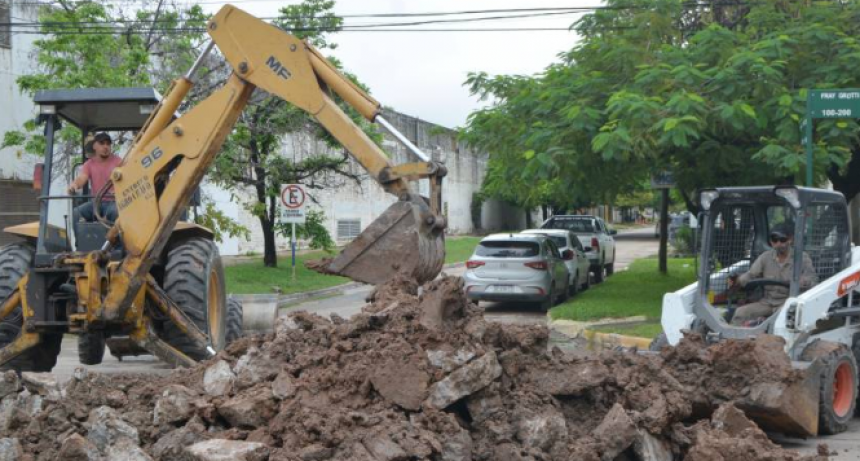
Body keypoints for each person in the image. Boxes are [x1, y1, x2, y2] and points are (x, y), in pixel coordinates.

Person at [727, 223, 818, 326]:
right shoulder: (765, 257)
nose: (778, 243)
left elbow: (813, 280)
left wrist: (803, 281)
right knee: (740, 313)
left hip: (789, 303)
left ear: (790, 239)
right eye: (774, 240)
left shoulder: (802, 258)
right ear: (771, 241)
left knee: (780, 319)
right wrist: (737, 281)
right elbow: (751, 275)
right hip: (767, 302)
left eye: (782, 239)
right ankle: (732, 340)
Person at [68, 132, 122, 235]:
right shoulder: (89, 164)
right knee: (76, 212)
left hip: (114, 202)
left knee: (114, 212)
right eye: (102, 143)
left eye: (108, 144)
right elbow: (82, 178)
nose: (105, 147)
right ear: (94, 146)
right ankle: (80, 245)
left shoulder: (118, 162)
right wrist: (74, 185)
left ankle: (117, 246)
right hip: (96, 203)